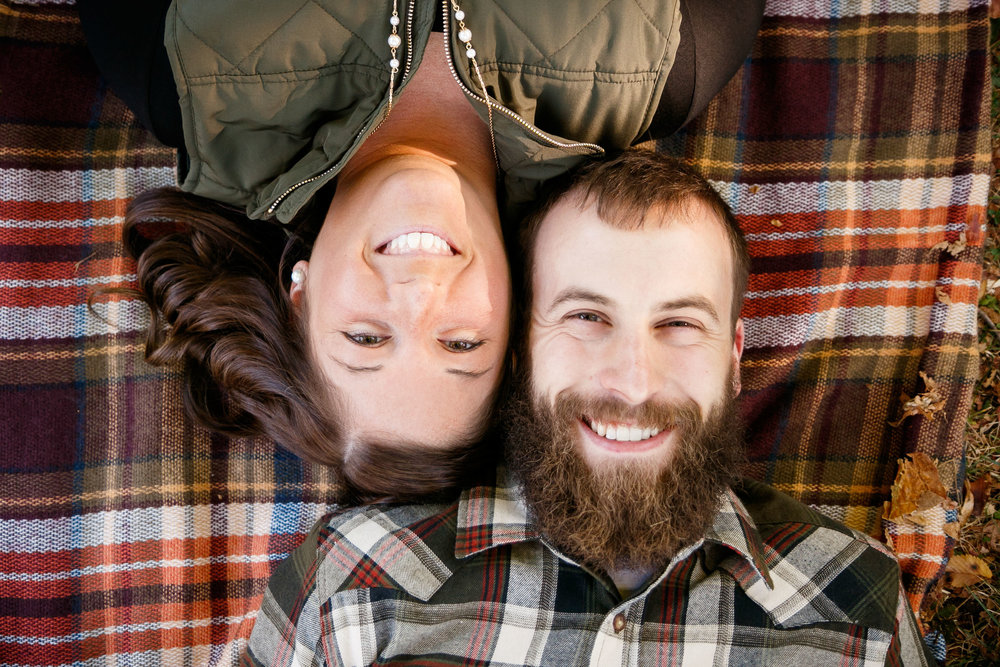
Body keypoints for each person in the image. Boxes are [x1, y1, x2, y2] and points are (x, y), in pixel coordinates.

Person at [243, 150, 934, 665]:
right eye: (585, 317)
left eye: (678, 325)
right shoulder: (356, 578)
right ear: (520, 353)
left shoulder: (852, 604)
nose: (632, 382)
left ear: (732, 355)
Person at [79, 1, 765, 499]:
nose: (415, 293)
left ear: (300, 294)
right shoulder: (672, 62)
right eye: (461, 344)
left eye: (365, 336)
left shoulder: (167, 65)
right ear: (521, 312)